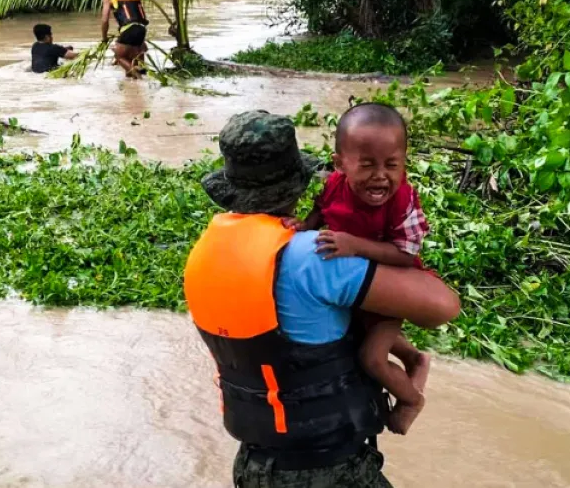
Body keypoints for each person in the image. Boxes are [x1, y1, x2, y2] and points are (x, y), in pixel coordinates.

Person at [183, 111, 460, 487]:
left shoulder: (205, 251)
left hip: (253, 464)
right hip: (327, 471)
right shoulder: (313, 256)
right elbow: (443, 307)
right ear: (298, 184)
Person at [287, 103, 431, 435]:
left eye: (392, 165)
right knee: (359, 334)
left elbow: (406, 254)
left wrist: (353, 244)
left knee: (372, 359)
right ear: (340, 165)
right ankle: (415, 358)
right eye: (367, 165)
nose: (381, 175)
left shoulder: (403, 200)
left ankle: (411, 400)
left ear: (404, 163)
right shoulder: (334, 184)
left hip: (392, 284)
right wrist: (303, 226)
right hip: (354, 284)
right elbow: (320, 212)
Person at [101, 0, 149, 78]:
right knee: (133, 61)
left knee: (119, 56)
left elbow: (105, 20)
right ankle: (137, 88)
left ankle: (139, 78)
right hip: (141, 29)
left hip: (129, 29)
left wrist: (104, 38)